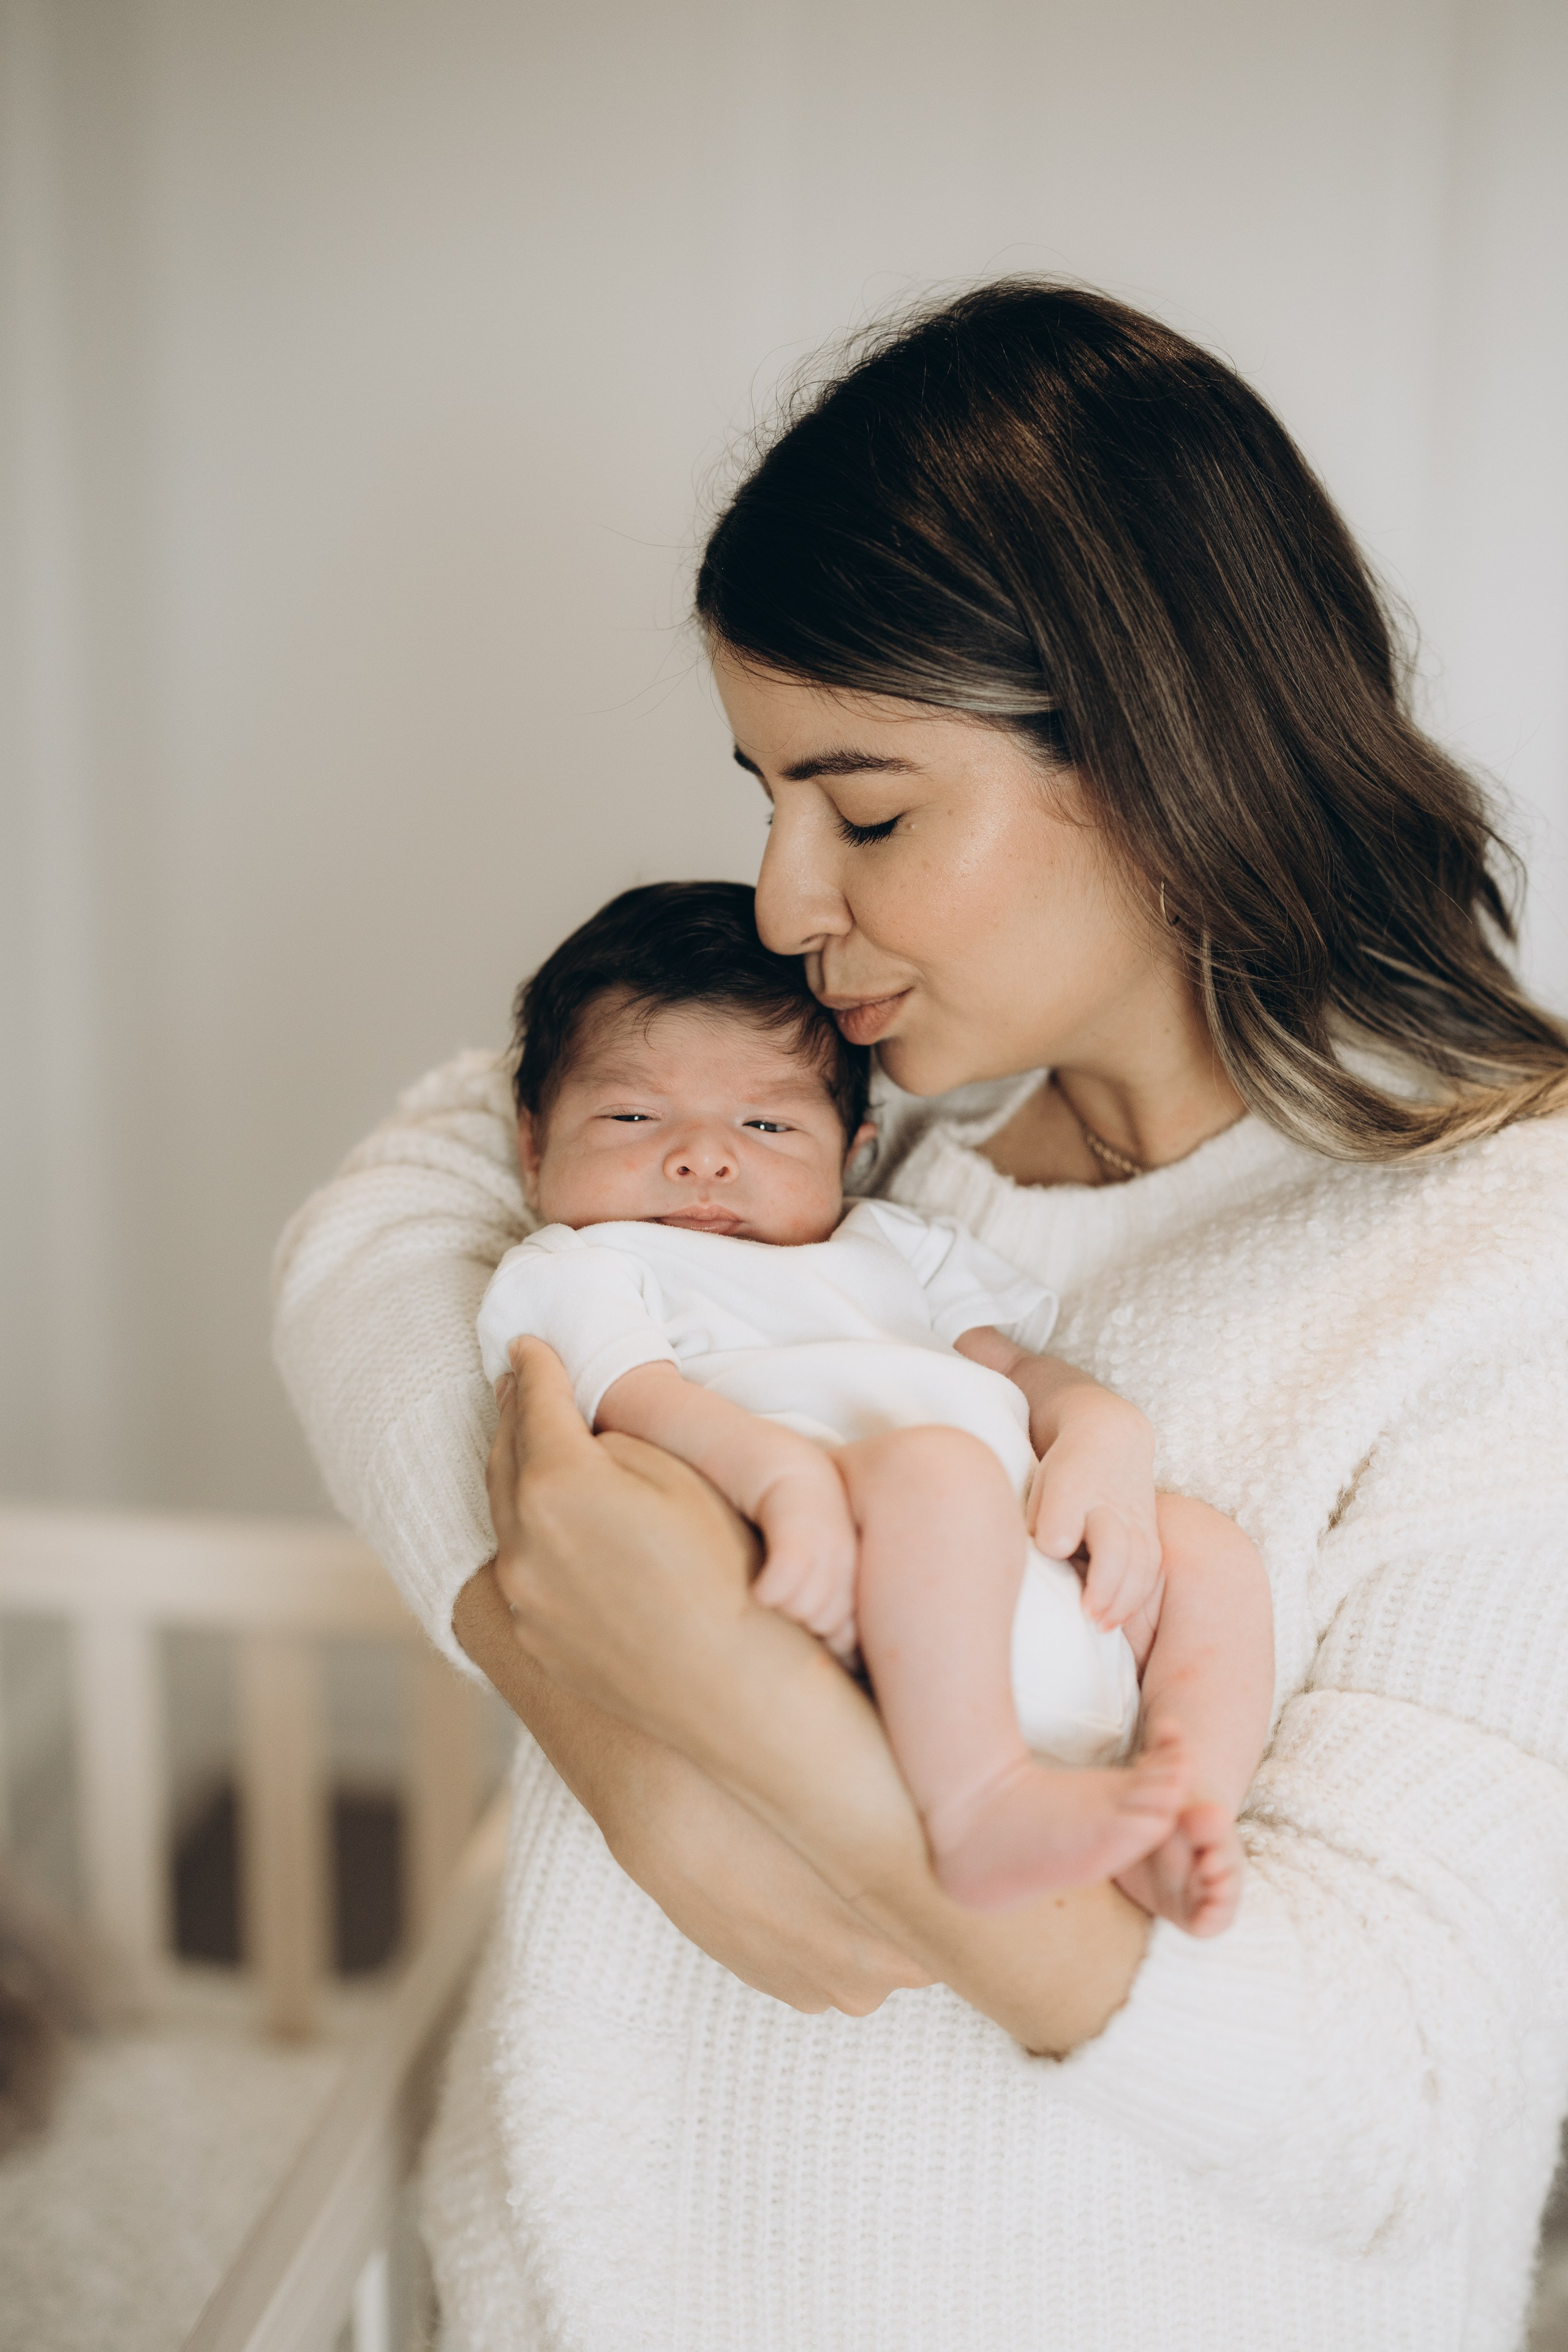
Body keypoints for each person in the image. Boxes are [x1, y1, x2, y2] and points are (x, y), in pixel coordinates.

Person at [273, 282, 1568, 2351]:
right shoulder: (853, 1137)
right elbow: (412, 1191)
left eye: (866, 811)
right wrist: (591, 1680)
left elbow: (1395, 2107)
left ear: (1171, 761)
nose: (785, 901)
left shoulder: (1505, 1255)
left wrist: (804, 1772)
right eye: (767, 794)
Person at [476, 879, 1272, 1926]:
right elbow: (643, 1399)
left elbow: (1021, 1371)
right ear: (534, 1147)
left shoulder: (892, 1244)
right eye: (633, 1113)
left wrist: (1101, 1428)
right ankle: (980, 1807)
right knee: (937, 1463)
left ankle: (1179, 1808)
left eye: (767, 1123)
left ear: (853, 1157)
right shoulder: (584, 1261)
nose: (704, 1154)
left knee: (1207, 1548)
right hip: (839, 1589)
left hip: (1025, 1586)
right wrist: (779, 1474)